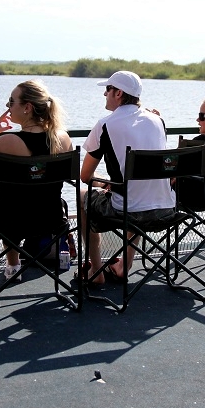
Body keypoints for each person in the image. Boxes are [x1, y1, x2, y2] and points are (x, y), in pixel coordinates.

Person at [78, 71, 177, 286]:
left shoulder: (105, 125)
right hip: (166, 209)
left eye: (108, 89)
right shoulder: (158, 120)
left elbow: (85, 176)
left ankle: (96, 271)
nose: (104, 94)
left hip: (128, 211)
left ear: (118, 93)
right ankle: (125, 265)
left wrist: (106, 183)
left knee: (82, 194)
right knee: (136, 191)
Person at [0, 80, 73, 281]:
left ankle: (10, 263)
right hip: (51, 218)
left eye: (11, 101)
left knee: (8, 206)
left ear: (27, 107)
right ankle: (5, 262)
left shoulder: (6, 141)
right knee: (15, 203)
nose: (7, 106)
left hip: (11, 220)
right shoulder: (63, 139)